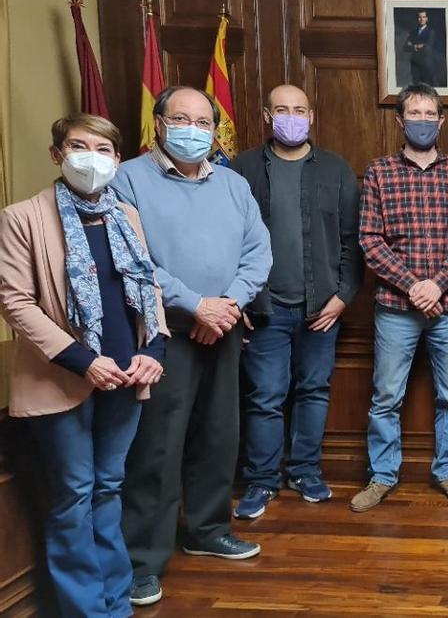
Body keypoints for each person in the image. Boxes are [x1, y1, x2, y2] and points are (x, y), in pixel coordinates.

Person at [0, 114, 167, 618]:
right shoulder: (23, 216)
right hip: (62, 379)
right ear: (57, 153)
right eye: (78, 145)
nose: (90, 158)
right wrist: (83, 361)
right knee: (73, 495)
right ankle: (86, 610)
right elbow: (16, 301)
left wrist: (153, 352)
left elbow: (147, 286)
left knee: (108, 488)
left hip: (124, 377)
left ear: (117, 159)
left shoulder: (126, 215)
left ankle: (116, 603)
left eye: (102, 149)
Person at [112, 85, 272, 606]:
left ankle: (207, 532)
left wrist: (225, 304)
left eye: (204, 123)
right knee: (158, 448)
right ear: (158, 123)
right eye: (182, 119)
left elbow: (258, 251)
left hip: (222, 328)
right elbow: (131, 258)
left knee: (219, 436)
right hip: (164, 337)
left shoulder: (232, 184)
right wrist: (193, 305)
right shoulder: (128, 179)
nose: (193, 130)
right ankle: (143, 560)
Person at [230, 84, 362, 519]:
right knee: (265, 396)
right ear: (267, 116)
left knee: (313, 391)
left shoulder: (337, 171)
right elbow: (228, 242)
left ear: (312, 116)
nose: (292, 116)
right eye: (282, 109)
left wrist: (343, 297)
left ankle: (306, 471)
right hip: (264, 308)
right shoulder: (242, 170)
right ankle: (261, 481)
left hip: (322, 310)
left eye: (300, 109)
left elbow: (350, 243)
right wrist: (239, 301)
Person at [353, 82, 448, 512]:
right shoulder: (379, 172)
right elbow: (370, 241)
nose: (422, 121)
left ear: (441, 121)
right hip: (395, 308)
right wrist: (413, 286)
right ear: (399, 120)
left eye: (430, 114)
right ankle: (382, 475)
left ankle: (447, 470)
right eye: (415, 114)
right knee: (386, 397)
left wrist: (437, 284)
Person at [405, 10, 437, 85]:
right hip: (415, 64)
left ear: (427, 19)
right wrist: (416, 46)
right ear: (417, 19)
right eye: (419, 17)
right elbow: (405, 47)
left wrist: (412, 45)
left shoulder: (431, 32)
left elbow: (427, 47)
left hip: (426, 65)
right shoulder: (412, 32)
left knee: (426, 88)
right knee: (416, 88)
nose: (421, 19)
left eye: (423, 17)